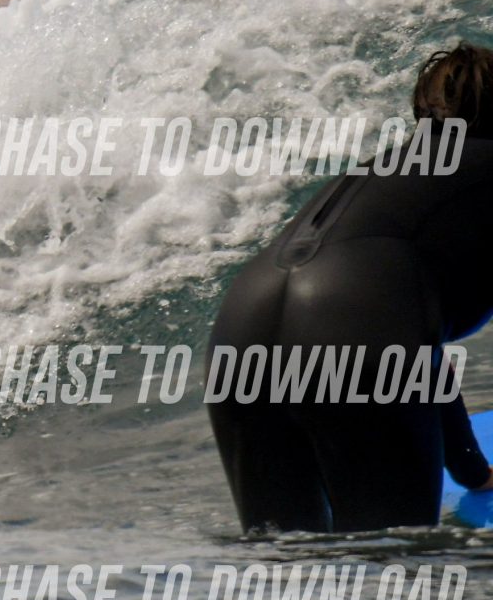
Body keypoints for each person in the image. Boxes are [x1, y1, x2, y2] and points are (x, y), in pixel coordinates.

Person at [206, 44, 493, 532]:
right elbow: (387, 330)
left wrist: (474, 473)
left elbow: (410, 340)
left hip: (241, 328)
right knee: (392, 564)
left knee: (280, 562)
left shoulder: (392, 175)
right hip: (359, 331)